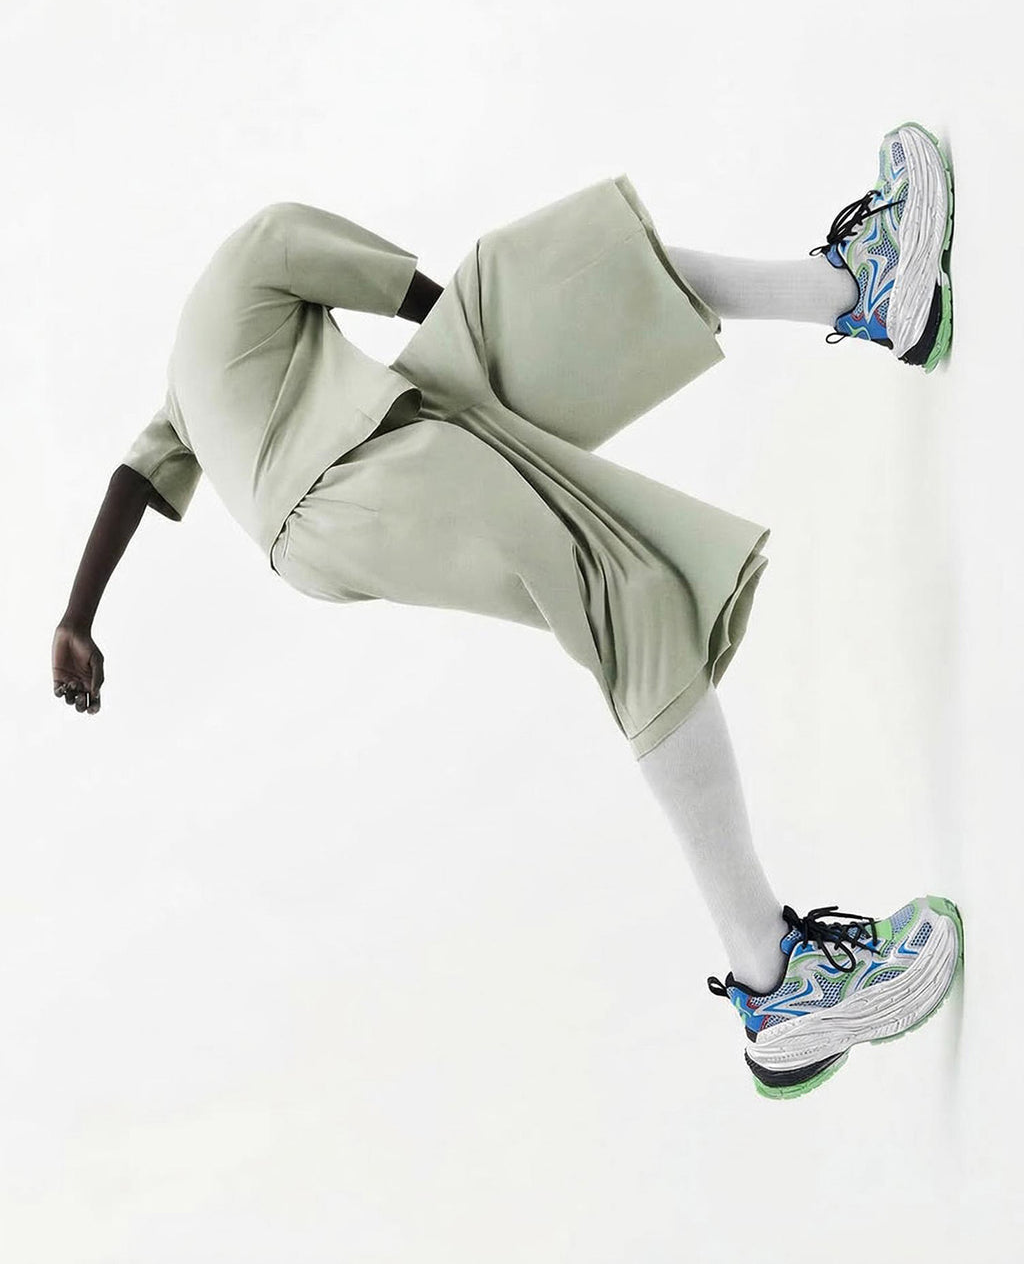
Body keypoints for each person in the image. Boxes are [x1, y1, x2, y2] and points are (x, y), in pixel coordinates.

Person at [51, 119, 963, 1100]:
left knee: (598, 299)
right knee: (625, 598)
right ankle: (779, 986)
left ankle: (855, 288)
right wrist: (499, 391)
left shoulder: (188, 373)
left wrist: (76, 617)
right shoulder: (264, 240)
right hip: (354, 472)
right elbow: (408, 294)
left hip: (343, 496)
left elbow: (134, 477)